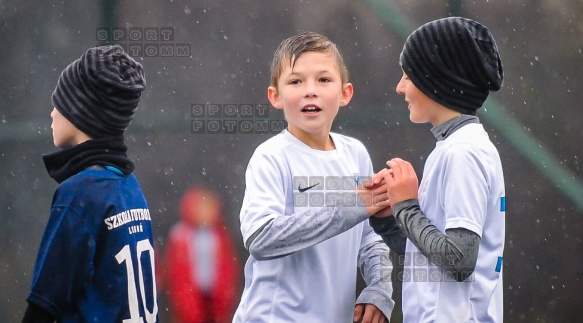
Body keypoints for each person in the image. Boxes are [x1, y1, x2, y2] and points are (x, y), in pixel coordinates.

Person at [233, 31, 395, 323]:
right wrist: (353, 206)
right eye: (296, 81)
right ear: (276, 96)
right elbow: (260, 238)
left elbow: (371, 239)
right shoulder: (271, 157)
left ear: (345, 93)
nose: (310, 90)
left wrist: (379, 288)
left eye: (323, 79)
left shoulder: (356, 153)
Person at [368, 17, 506, 322]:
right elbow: (428, 256)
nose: (399, 87)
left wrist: (406, 206)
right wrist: (389, 219)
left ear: (438, 81)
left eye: (408, 76)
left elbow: (458, 259)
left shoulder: (463, 153)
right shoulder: (453, 147)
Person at [22, 45, 158, 322]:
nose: (52, 113)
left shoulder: (80, 193)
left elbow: (44, 305)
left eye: (59, 102)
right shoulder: (129, 187)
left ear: (79, 112)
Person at [164, 187, 240, 323]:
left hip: (216, 301)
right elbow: (177, 275)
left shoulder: (220, 236)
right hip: (190, 302)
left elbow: (228, 270)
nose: (206, 213)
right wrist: (188, 305)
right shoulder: (180, 236)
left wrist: (224, 300)